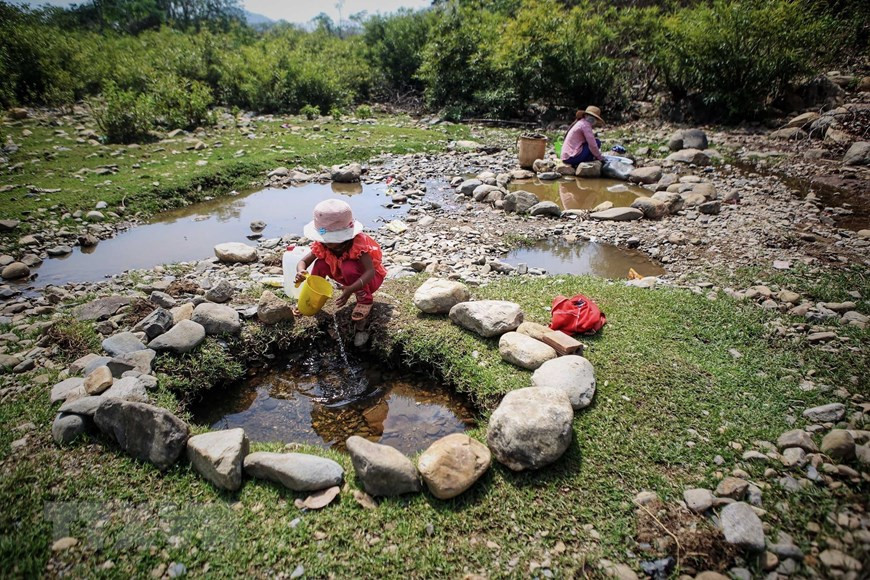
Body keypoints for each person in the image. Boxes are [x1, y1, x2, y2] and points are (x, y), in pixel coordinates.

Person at [296, 199, 386, 322]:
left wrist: (351, 288)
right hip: (343, 275)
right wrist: (301, 271)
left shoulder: (358, 245)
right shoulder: (322, 245)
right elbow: (303, 262)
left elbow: (370, 272)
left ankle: (365, 300)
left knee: (348, 266)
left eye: (332, 240)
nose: (327, 243)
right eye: (325, 239)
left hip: (366, 280)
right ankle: (313, 298)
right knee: (320, 263)